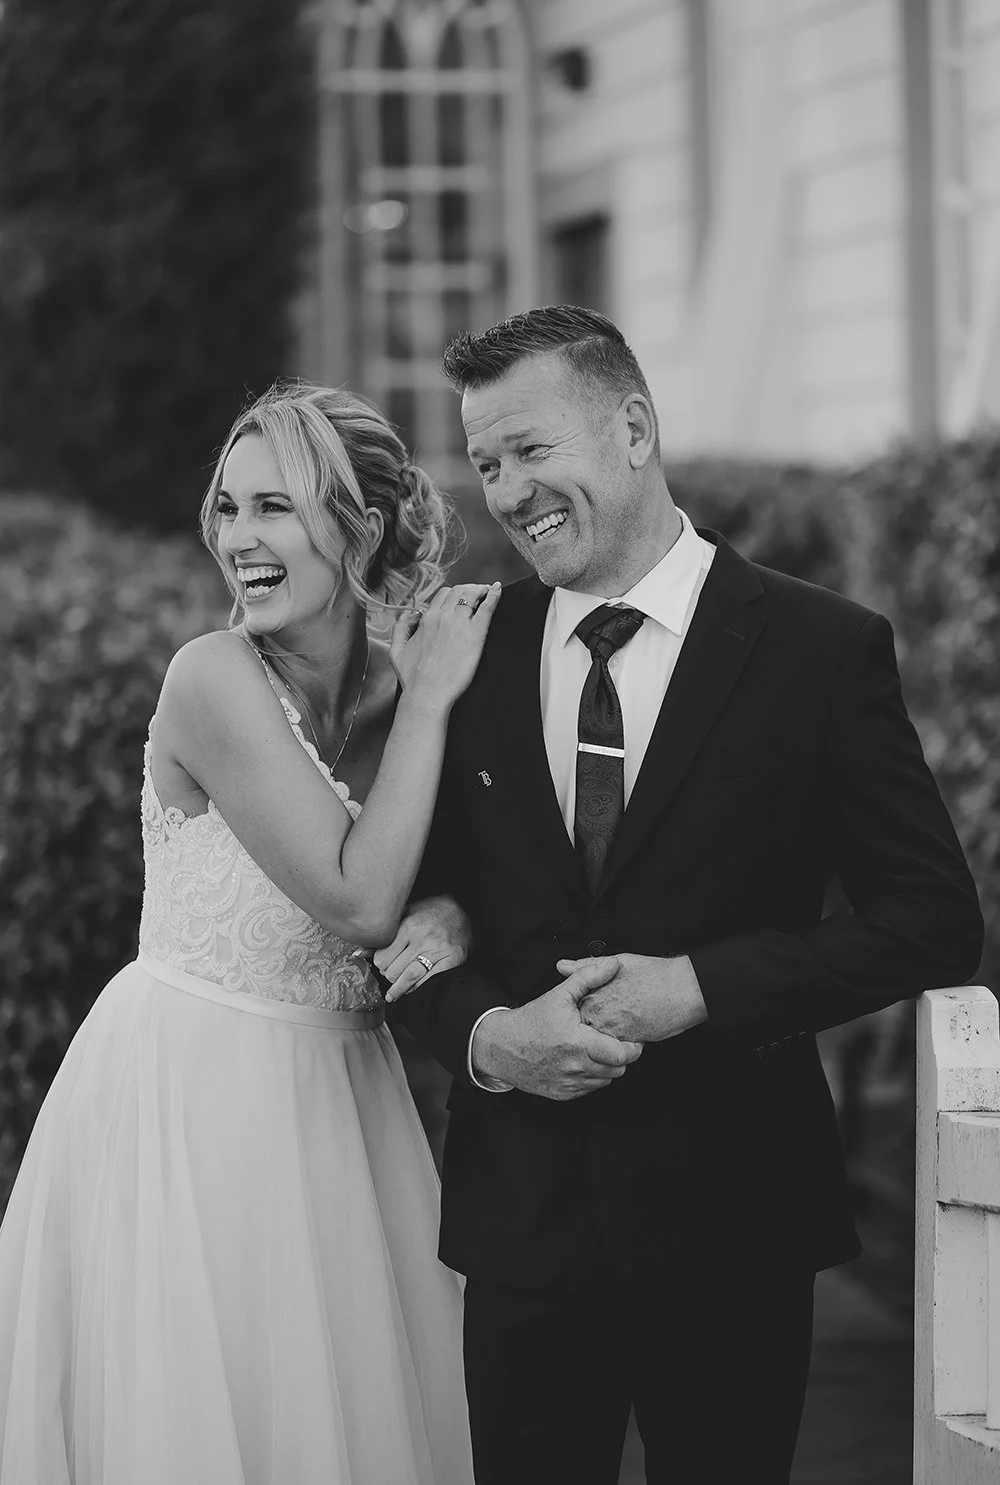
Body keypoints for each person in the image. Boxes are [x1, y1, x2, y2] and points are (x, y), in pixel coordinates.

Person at [379, 306, 985, 1485]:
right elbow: (392, 924)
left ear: (635, 429)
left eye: (532, 450)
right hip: (521, 1226)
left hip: (735, 1221)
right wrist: (492, 1041)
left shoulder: (820, 649)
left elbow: (929, 919)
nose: (507, 493)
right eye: (488, 463)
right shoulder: (463, 649)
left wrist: (702, 988)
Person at [0, 382, 502, 1484]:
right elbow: (360, 902)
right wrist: (427, 707)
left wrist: (462, 909)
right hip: (191, 1100)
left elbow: (487, 871)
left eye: (273, 508)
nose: (239, 540)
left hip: (348, 1107)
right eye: (227, 509)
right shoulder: (213, 679)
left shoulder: (406, 689)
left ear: (358, 528)